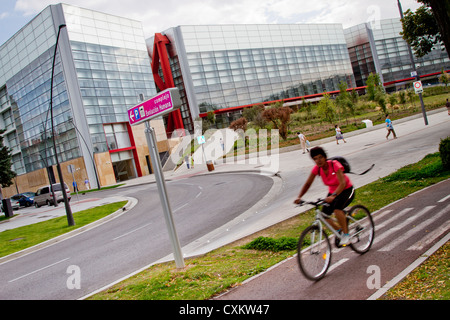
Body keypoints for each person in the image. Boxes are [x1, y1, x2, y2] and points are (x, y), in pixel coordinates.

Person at [294, 147, 355, 246]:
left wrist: (333, 196)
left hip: (346, 190)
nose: (318, 160)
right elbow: (308, 184)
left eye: (320, 157)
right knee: (323, 214)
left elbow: (342, 183)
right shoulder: (317, 169)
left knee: (337, 209)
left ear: (325, 157)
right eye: (315, 159)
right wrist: (299, 197)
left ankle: (346, 235)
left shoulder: (335, 165)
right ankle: (339, 230)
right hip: (332, 193)